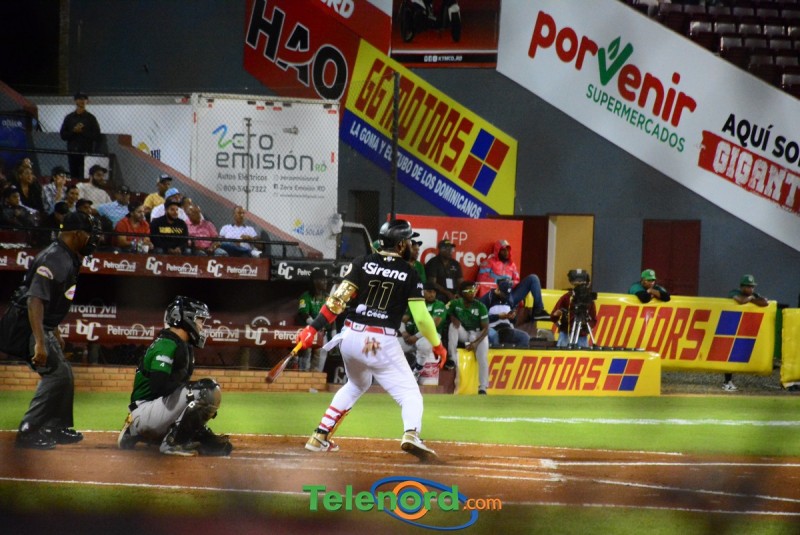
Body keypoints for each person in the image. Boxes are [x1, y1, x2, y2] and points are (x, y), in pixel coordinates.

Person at [295, 219, 447, 462]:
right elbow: (422, 318)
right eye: (408, 241)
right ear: (400, 245)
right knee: (410, 393)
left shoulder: (361, 263)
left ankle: (319, 436)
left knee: (356, 384)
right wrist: (437, 345)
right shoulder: (409, 273)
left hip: (350, 337)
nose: (411, 244)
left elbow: (336, 302)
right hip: (379, 340)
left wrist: (312, 329)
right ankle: (411, 433)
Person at [13, 211, 101, 449]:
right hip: (28, 327)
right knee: (57, 374)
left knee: (65, 373)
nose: (92, 239)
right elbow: (35, 300)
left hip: (41, 326)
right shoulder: (55, 258)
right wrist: (41, 342)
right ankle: (29, 429)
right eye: (89, 234)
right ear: (76, 234)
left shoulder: (65, 256)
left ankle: (56, 426)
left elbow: (50, 302)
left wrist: (55, 330)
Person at [117, 296, 233, 456]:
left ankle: (140, 432)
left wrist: (197, 414)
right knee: (207, 390)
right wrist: (197, 404)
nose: (202, 326)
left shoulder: (181, 345)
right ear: (186, 319)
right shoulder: (166, 345)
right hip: (145, 411)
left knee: (202, 397)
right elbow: (158, 386)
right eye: (200, 320)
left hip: (157, 411)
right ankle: (172, 443)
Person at [476, 239, 550, 321]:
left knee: (533, 278)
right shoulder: (488, 262)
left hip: (510, 296)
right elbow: (481, 281)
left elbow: (517, 280)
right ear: (497, 251)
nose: (506, 252)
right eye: (503, 250)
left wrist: (510, 283)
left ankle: (538, 311)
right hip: (495, 296)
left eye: (507, 250)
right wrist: (501, 283)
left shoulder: (512, 265)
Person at [723, 274, 770, 392]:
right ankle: (727, 382)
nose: (751, 289)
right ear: (741, 287)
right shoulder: (734, 292)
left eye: (752, 287)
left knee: (739, 354)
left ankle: (730, 382)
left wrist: (752, 298)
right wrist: (752, 299)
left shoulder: (754, 295)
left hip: (745, 327)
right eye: (748, 286)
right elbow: (740, 301)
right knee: (729, 354)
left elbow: (765, 302)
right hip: (730, 325)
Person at [447, 281, 490, 395]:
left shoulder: (480, 306)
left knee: (482, 357)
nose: (473, 293)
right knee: (453, 326)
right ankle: (452, 358)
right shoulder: (455, 303)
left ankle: (483, 387)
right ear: (462, 293)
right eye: (469, 291)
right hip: (465, 333)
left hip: (479, 335)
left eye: (474, 290)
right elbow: (445, 311)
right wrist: (452, 317)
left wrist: (475, 343)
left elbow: (486, 329)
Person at [399, 280, 447, 380]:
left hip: (432, 336)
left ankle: (417, 371)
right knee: (394, 344)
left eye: (434, 292)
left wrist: (416, 337)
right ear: (422, 292)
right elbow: (402, 320)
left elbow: (433, 324)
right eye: (429, 291)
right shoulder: (416, 303)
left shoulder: (439, 304)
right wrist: (403, 332)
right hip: (413, 336)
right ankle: (398, 372)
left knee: (423, 344)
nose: (432, 294)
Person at [296, 268, 334, 372]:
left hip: (322, 333)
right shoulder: (306, 296)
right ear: (315, 281)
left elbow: (332, 315)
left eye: (325, 279)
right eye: (322, 279)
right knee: (306, 353)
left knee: (321, 354)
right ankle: (303, 375)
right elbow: (304, 314)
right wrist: (315, 325)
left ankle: (316, 377)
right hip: (308, 331)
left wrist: (334, 334)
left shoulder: (327, 298)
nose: (325, 282)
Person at [59, 92, 102, 179]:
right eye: (80, 99)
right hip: (72, 152)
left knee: (85, 176)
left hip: (86, 153)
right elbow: (63, 135)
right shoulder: (69, 118)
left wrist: (83, 132)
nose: (82, 101)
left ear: (87, 101)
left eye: (84, 99)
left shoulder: (91, 118)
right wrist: (73, 131)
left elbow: (97, 136)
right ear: (75, 101)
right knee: (74, 176)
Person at [551, 269, 597, 348]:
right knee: (562, 354)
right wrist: (557, 316)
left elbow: (593, 319)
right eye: (577, 285)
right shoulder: (567, 297)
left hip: (581, 336)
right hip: (566, 334)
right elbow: (553, 316)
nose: (579, 287)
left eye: (581, 284)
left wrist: (586, 326)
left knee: (582, 355)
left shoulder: (588, 300)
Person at [480, 277, 530, 348]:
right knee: (495, 337)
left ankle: (515, 354)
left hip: (507, 328)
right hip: (493, 328)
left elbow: (514, 321)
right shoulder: (488, 298)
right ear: (498, 289)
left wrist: (512, 316)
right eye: (504, 295)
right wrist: (498, 316)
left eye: (507, 295)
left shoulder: (509, 299)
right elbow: (480, 319)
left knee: (525, 337)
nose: (506, 297)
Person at [425, 239, 463, 303]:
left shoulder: (455, 264)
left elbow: (461, 281)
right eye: (448, 249)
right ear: (441, 250)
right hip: (439, 293)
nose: (450, 251)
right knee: (440, 297)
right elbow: (432, 283)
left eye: (451, 249)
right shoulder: (433, 263)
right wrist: (447, 293)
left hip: (454, 292)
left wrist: (458, 293)